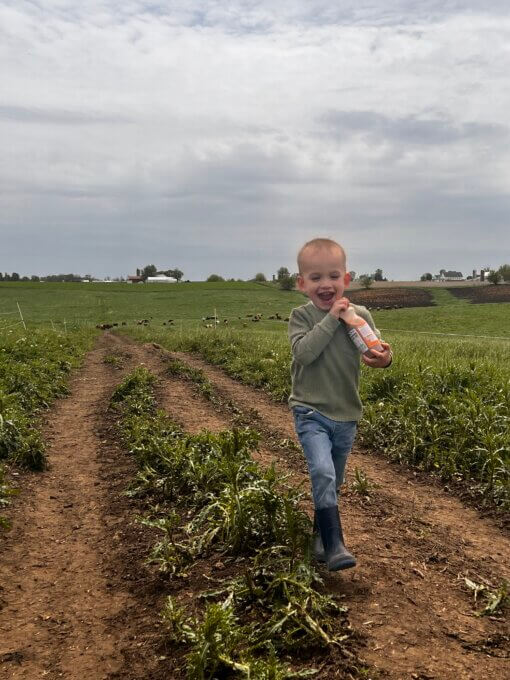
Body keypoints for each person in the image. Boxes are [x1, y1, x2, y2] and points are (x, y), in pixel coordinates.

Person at [289, 238, 392, 571]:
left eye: (333, 276)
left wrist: (384, 358)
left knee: (333, 478)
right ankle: (335, 545)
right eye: (315, 277)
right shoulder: (301, 317)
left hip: (347, 414)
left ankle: (320, 539)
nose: (325, 284)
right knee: (322, 471)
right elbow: (304, 353)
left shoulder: (359, 315)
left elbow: (372, 348)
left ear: (346, 280)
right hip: (310, 410)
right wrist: (333, 317)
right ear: (302, 284)